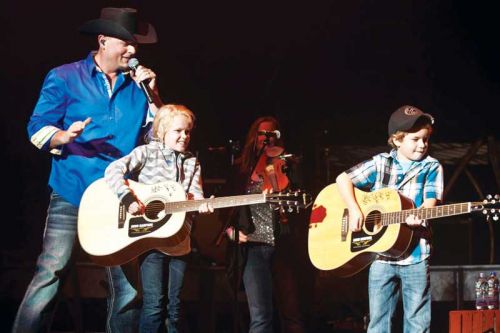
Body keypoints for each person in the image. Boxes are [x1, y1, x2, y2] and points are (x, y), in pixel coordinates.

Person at [13, 7, 163, 333]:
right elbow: (36, 127)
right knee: (51, 270)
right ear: (103, 40)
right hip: (72, 190)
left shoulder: (138, 88)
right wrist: (63, 136)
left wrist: (154, 96)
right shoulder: (65, 77)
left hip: (117, 197)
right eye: (126, 42)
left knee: (127, 287)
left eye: (135, 44)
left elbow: (160, 140)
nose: (133, 50)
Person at [104, 104, 214, 332]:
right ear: (162, 131)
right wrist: (127, 198)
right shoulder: (146, 152)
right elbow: (112, 170)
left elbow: (196, 195)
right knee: (154, 305)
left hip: (180, 243)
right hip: (151, 242)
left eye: (188, 132)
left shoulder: (192, 162)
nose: (184, 136)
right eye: (178, 131)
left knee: (175, 308)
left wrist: (202, 205)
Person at [335, 105, 444, 333]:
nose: (422, 145)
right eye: (415, 139)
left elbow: (431, 201)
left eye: (426, 139)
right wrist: (355, 209)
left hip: (416, 254)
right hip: (381, 256)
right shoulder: (381, 163)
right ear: (397, 140)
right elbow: (342, 179)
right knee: (378, 323)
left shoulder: (432, 166)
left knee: (417, 323)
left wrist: (421, 215)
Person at [224, 116, 308, 333]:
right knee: (261, 316)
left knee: (292, 312)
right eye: (263, 134)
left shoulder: (288, 166)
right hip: (252, 246)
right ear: (255, 137)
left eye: (273, 134)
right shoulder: (240, 170)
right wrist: (230, 230)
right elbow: (224, 207)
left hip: (284, 245)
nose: (268, 139)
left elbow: (302, 201)